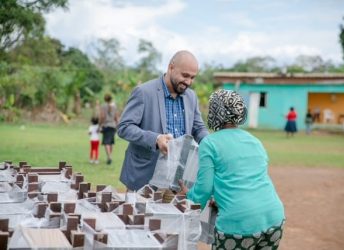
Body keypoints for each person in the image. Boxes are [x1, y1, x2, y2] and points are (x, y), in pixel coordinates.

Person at [179, 89, 285, 250]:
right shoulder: (254, 140)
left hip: (238, 225)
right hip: (274, 218)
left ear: (215, 111)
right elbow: (246, 179)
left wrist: (188, 195)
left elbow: (204, 189)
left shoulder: (210, 143)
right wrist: (220, 197)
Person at [117, 50, 209, 191]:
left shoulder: (191, 97)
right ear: (171, 67)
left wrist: (210, 143)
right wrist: (156, 139)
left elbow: (198, 128)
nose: (188, 82)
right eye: (185, 76)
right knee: (139, 214)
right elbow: (124, 127)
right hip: (144, 178)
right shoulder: (143, 92)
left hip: (178, 182)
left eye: (192, 77)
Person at [99, 93, 118, 165]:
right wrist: (117, 125)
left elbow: (102, 116)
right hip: (113, 125)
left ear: (105, 99)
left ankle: (109, 156)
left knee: (106, 142)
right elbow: (116, 117)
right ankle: (110, 156)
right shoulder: (114, 106)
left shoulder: (103, 106)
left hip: (106, 125)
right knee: (111, 142)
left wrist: (100, 125)